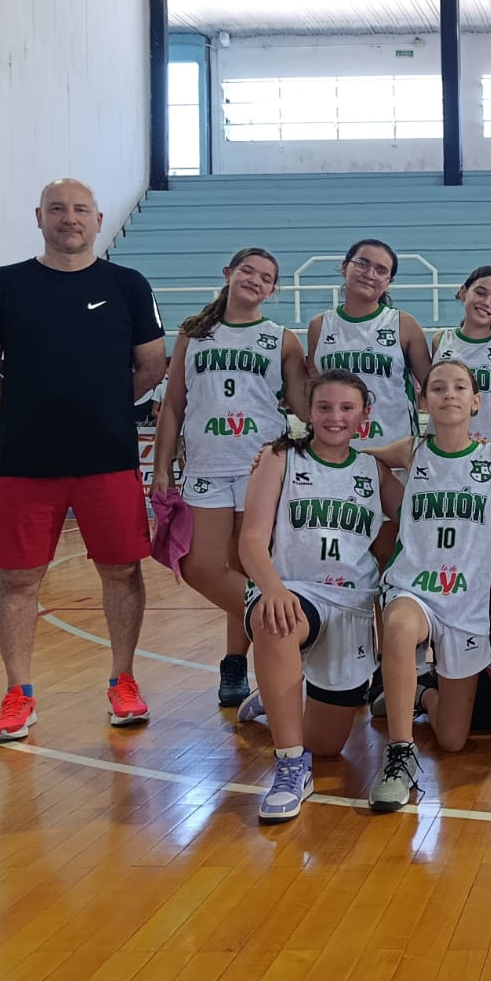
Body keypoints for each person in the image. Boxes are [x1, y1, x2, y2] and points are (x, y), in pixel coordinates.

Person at [0, 177, 167, 743]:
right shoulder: (3, 286)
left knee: (122, 572)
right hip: (28, 462)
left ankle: (123, 680)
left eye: (81, 209)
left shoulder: (127, 284)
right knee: (17, 579)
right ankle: (17, 694)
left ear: (99, 220)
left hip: (108, 458)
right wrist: (28, 405)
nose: (69, 218)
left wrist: (97, 403)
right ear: (39, 217)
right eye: (58, 209)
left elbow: (151, 366)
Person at [235, 369, 403, 822]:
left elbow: (416, 517)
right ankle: (290, 768)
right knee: (275, 621)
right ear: (307, 411)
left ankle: (274, 700)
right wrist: (270, 588)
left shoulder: (373, 470)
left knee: (326, 746)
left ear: (364, 415)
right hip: (294, 589)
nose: (334, 417)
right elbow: (251, 539)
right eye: (324, 407)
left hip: (351, 605)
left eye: (347, 408)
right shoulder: (280, 457)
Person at [366, 359, 491, 810]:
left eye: (460, 387)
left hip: (467, 601)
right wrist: (288, 448)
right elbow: (359, 455)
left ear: (476, 401)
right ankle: (400, 754)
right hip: (414, 588)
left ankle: (418, 692)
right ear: (424, 402)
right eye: (437, 388)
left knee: (454, 740)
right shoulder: (412, 450)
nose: (449, 394)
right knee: (399, 627)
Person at [152, 247, 307, 707]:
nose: (255, 280)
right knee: (201, 566)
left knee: (247, 567)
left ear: (273, 290)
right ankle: (287, 622)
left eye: (265, 277)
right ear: (229, 274)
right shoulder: (194, 335)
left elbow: (302, 407)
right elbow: (174, 405)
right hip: (206, 464)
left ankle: (236, 663)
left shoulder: (282, 339)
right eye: (248, 271)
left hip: (261, 465)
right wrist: (161, 467)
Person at [431, 266, 491, 644]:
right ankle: (443, 636)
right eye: (481, 293)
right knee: (445, 554)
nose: (487, 303)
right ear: (462, 292)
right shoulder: (439, 340)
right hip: (448, 465)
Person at [306, 238, 432, 449]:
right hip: (336, 452)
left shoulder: (404, 325)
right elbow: (314, 388)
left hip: (394, 451)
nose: (370, 274)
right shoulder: (320, 325)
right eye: (362, 264)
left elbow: (432, 388)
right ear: (345, 267)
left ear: (389, 281)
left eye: (381, 270)